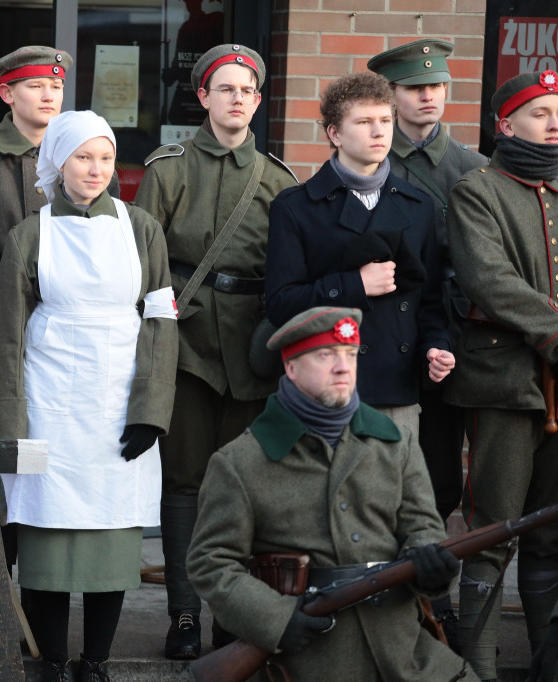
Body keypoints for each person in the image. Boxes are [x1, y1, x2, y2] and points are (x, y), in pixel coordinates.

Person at [0, 110, 178, 681]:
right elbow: (7, 337)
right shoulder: (30, 235)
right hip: (49, 409)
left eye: (105, 157)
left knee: (109, 549)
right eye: (82, 157)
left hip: (119, 407)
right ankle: (51, 661)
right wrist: (10, 423)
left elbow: (161, 322)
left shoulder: (142, 228)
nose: (95, 169)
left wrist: (151, 411)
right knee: (46, 543)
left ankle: (95, 663)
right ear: (58, 163)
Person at [186, 306, 474, 682]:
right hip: (304, 661)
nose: (343, 367)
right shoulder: (240, 462)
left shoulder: (393, 443)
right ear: (290, 368)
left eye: (350, 355)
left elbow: (422, 526)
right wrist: (276, 619)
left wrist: (432, 567)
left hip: (404, 653)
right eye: (326, 355)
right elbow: (211, 562)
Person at [134, 43, 297, 659]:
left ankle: (233, 617)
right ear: (202, 96)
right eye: (225, 89)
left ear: (258, 100)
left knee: (246, 487)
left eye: (248, 91)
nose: (237, 100)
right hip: (188, 345)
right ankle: (183, 616)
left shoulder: (279, 179)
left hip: (252, 349)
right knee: (184, 482)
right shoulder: (168, 169)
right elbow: (143, 265)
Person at [265, 71, 453, 441]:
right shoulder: (296, 207)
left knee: (391, 496)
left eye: (385, 120)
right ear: (335, 133)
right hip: (323, 388)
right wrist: (356, 285)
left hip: (395, 388)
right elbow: (281, 305)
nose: (379, 132)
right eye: (364, 122)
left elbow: (431, 302)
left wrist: (436, 348)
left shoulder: (418, 207)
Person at [445, 69, 558, 681]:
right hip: (505, 384)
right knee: (492, 532)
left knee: (550, 537)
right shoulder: (478, 189)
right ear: (505, 124)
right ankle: (478, 670)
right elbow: (489, 279)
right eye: (540, 112)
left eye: (557, 111)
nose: (554, 122)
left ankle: (545, 664)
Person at [367, 42, 486, 579]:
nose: (428, 96)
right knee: (378, 472)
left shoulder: (475, 169)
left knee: (440, 474)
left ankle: (428, 594)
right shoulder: (368, 164)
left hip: (455, 341)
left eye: (436, 86)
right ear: (392, 95)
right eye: (415, 88)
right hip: (385, 336)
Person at [0, 45, 118, 296]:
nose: (48, 96)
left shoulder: (90, 161)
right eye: (35, 86)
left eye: (56, 86)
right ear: (7, 93)